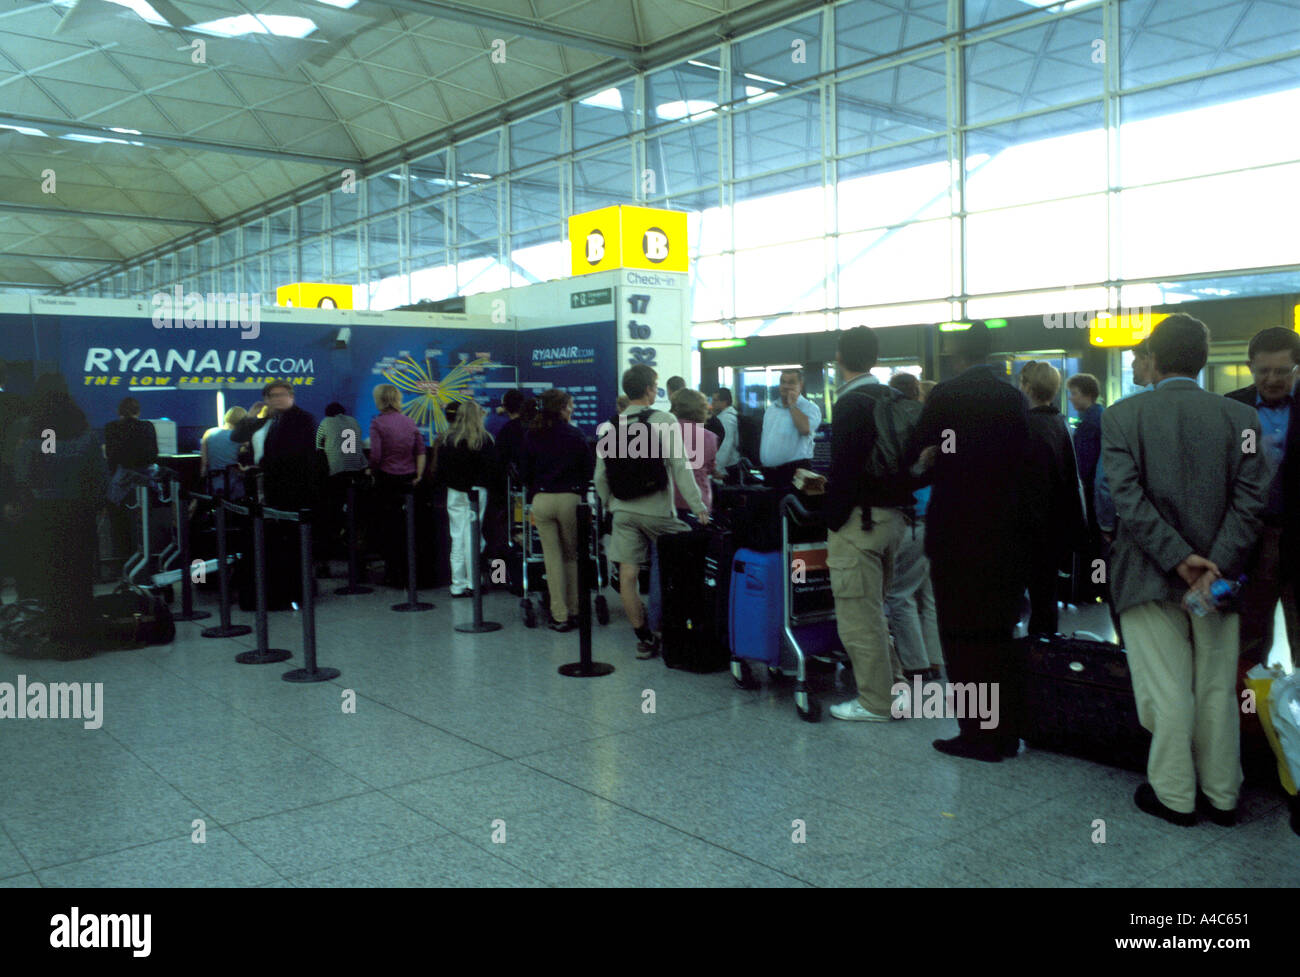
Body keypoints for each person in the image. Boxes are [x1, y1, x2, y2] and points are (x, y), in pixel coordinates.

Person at [1103, 313, 1268, 826]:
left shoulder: (1122, 417)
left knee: (1166, 686)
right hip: (1219, 579)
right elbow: (1252, 498)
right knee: (1218, 682)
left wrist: (1177, 557)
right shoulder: (1242, 420)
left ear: (1154, 355)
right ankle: (1223, 794)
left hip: (1147, 575)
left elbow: (1126, 500)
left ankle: (1175, 795)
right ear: (1204, 358)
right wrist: (1215, 562)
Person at [904, 321, 1030, 762]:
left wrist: (932, 461)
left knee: (961, 636)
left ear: (958, 356)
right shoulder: (1013, 397)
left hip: (957, 532)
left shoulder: (947, 395)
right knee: (999, 633)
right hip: (1004, 535)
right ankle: (1007, 731)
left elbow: (918, 453)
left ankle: (977, 733)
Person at [824, 329, 917, 722]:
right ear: (876, 359)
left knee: (858, 618)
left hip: (859, 523)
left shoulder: (850, 404)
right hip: (895, 519)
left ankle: (876, 703)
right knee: (875, 611)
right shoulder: (894, 397)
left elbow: (844, 470)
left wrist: (829, 516)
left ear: (840, 357)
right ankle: (895, 691)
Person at [595, 364, 710, 659]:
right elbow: (680, 467)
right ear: (649, 390)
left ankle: (644, 638)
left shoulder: (610, 425)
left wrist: (610, 504)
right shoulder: (663, 419)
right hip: (659, 511)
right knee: (687, 559)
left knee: (628, 573)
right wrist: (699, 507)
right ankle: (682, 628)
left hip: (623, 511)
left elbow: (600, 476)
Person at [1225, 326, 1300, 669]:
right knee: (1248, 643)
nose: (1272, 379)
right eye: (1263, 370)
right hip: (1253, 541)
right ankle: (1250, 717)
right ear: (1250, 366)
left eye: (1282, 371)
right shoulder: (1231, 409)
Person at [13, 392, 107, 641]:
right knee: (80, 576)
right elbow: (100, 479)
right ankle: (84, 633)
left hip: (47, 514)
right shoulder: (87, 439)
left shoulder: (45, 437)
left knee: (54, 575)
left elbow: (37, 470)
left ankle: (59, 634)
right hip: (80, 514)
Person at [1019, 362, 1087, 636]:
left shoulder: (1026, 428)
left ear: (1026, 386)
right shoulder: (1060, 424)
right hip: (1055, 528)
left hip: (1029, 529)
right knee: (1046, 599)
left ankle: (1026, 660)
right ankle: (1044, 655)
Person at [520, 389, 594, 631]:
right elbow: (587, 470)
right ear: (563, 408)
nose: (572, 409)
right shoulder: (575, 435)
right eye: (570, 405)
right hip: (569, 499)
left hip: (541, 499)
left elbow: (524, 472)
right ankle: (575, 611)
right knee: (572, 557)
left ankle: (559, 615)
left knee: (551, 560)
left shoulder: (532, 434)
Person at [884, 372, 941, 681]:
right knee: (928, 595)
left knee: (898, 593)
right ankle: (934, 660)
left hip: (912, 518)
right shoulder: (933, 432)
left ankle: (915, 663)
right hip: (933, 517)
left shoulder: (906, 432)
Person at [433, 400, 498, 598]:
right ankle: (474, 582)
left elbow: (441, 471)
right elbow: (491, 472)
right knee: (474, 537)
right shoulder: (484, 439)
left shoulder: (447, 439)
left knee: (457, 537)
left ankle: (457, 584)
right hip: (476, 493)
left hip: (454, 492)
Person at [367, 384, 427, 588]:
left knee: (389, 530)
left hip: (387, 480)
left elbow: (375, 455)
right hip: (409, 479)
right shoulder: (410, 422)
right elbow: (420, 451)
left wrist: (371, 471)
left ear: (379, 400)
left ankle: (393, 574)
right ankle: (412, 573)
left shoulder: (377, 424)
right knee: (409, 528)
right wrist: (418, 475)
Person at [103, 396, 159, 568]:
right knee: (145, 524)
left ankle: (122, 563)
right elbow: (153, 454)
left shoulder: (111, 428)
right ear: (138, 411)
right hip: (145, 481)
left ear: (119, 411)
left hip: (121, 482)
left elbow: (111, 457)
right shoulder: (147, 426)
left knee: (119, 525)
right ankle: (147, 562)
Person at [316, 402, 367, 570]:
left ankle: (324, 563)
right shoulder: (354, 422)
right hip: (357, 475)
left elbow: (318, 448)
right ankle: (359, 563)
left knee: (331, 517)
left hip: (335, 476)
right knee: (357, 519)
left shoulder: (325, 422)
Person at [759, 369, 821, 491]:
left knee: (792, 508)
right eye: (783, 382)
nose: (786, 386)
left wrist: (792, 405)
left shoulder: (810, 408)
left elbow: (805, 429)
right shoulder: (772, 409)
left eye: (791, 382)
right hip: (769, 474)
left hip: (795, 473)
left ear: (800, 385)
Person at [669, 388, 718, 524]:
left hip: (668, 501)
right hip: (699, 502)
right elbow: (710, 469)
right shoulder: (710, 437)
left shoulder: (664, 432)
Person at [201, 406, 247, 498]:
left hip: (213, 482)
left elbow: (204, 463)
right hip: (233, 484)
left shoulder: (209, 432)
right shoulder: (240, 437)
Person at [711, 388, 740, 477]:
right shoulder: (730, 416)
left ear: (724, 402)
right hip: (729, 466)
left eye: (715, 400)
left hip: (728, 469)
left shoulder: (726, 420)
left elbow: (725, 446)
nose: (712, 403)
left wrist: (717, 469)